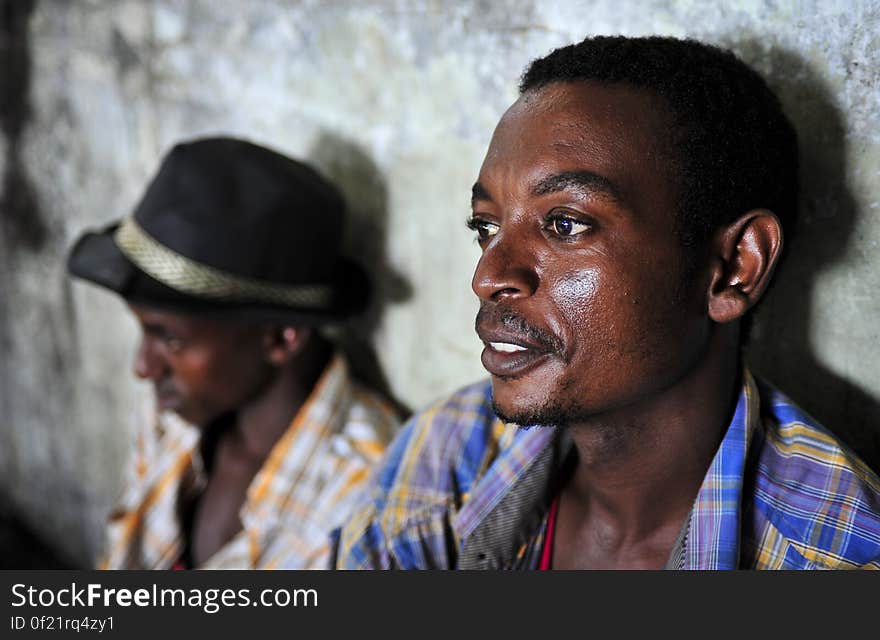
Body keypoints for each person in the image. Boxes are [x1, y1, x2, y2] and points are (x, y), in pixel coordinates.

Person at [335, 36, 880, 569]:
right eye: (486, 226)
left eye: (565, 224)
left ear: (735, 267)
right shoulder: (448, 451)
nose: (488, 276)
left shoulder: (832, 557)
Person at [68, 137, 400, 569]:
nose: (143, 368)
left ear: (280, 338)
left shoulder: (364, 500)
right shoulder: (176, 413)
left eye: (169, 338)